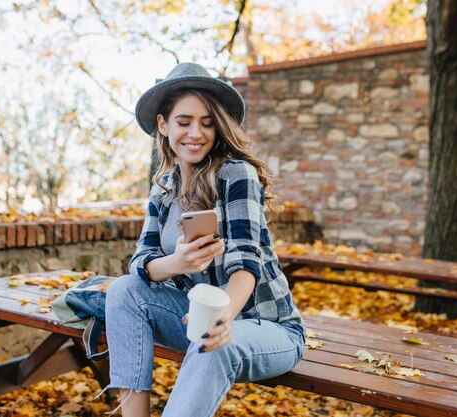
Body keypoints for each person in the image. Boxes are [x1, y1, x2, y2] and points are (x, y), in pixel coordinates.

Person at [102, 62, 305, 417]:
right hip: (197, 321)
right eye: (184, 122)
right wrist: (176, 264)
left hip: (267, 328)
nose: (196, 133)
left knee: (212, 343)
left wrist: (224, 316)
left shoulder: (235, 173)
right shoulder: (163, 187)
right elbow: (141, 261)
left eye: (207, 123)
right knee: (122, 290)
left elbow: (246, 264)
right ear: (163, 125)